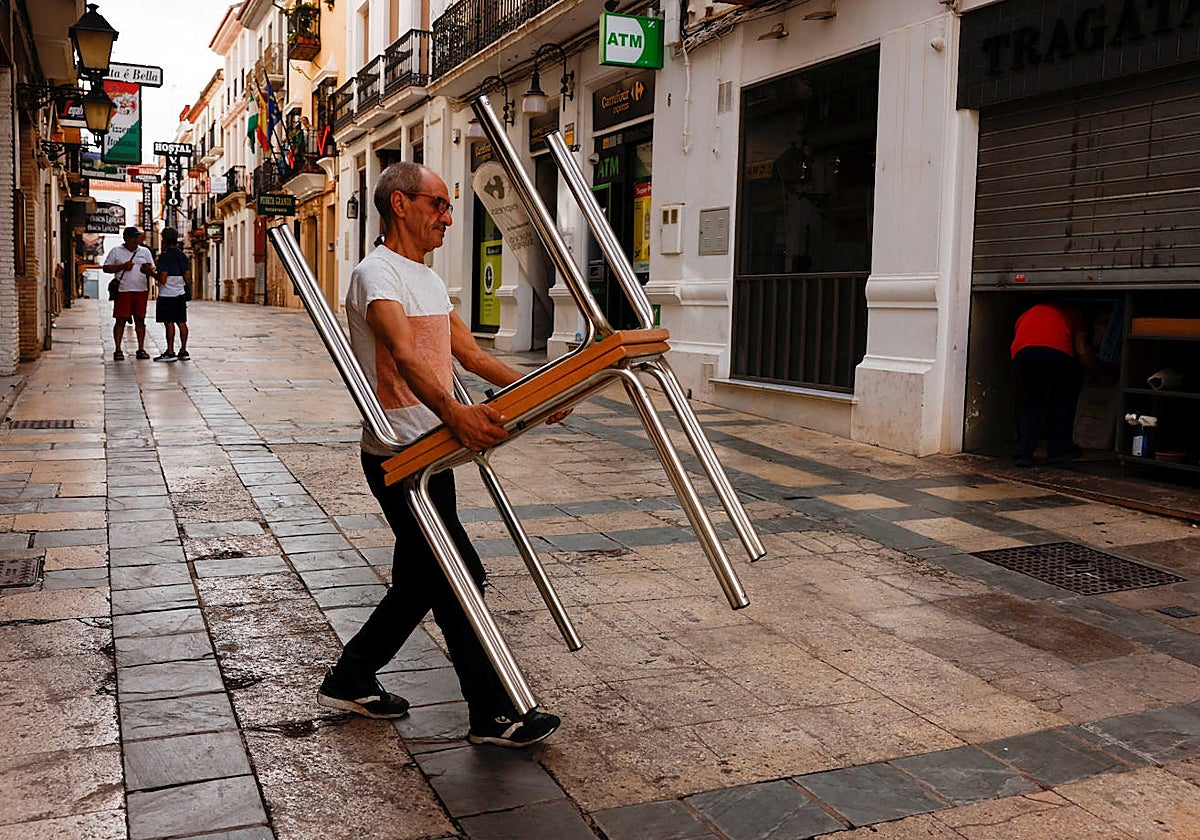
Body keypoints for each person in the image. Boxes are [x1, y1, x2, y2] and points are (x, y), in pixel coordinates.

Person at [317, 161, 563, 748]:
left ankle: (351, 676)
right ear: (399, 204)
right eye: (437, 205)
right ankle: (492, 715)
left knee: (422, 581)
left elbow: (471, 357)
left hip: (436, 453)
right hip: (400, 457)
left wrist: (540, 389)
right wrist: (457, 413)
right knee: (457, 576)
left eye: (449, 207)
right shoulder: (376, 275)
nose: (448, 217)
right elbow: (403, 357)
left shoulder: (426, 279)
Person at [1010, 301, 1096, 467]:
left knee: (1029, 403)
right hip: (1057, 353)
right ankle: (1058, 451)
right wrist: (1098, 372)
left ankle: (1024, 454)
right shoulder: (1073, 313)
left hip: (1023, 354)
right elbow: (1082, 350)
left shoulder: (1028, 312)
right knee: (1061, 402)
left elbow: (1020, 341)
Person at [102, 226, 156, 360]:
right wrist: (122, 266)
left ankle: (141, 349)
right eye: (132, 237)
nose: (135, 240)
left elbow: (152, 269)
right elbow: (106, 268)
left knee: (140, 320)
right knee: (120, 320)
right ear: (126, 238)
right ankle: (118, 349)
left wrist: (147, 270)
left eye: (137, 237)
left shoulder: (145, 252)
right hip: (123, 291)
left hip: (141, 290)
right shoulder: (116, 251)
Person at [153, 228, 191, 362]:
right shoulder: (182, 255)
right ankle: (183, 350)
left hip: (167, 295)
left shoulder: (164, 256)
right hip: (180, 293)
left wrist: (151, 273)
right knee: (182, 322)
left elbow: (162, 278)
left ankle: (170, 352)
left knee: (169, 323)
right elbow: (187, 275)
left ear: (164, 239)